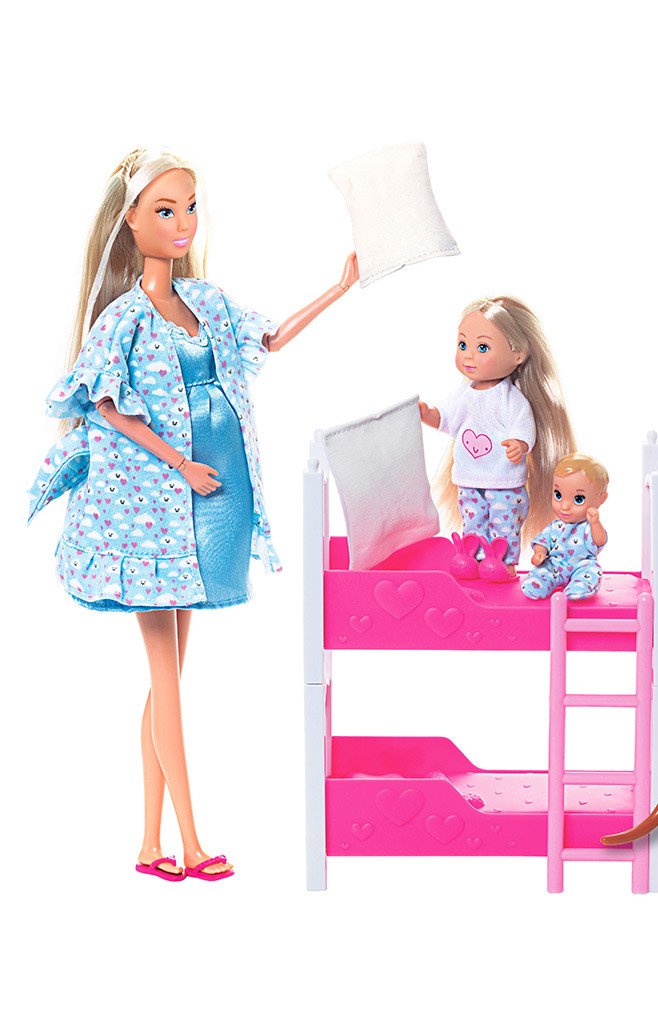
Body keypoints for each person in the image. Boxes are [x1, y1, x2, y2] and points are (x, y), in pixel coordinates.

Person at [28, 148, 359, 881]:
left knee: (168, 678)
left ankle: (149, 845)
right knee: (168, 679)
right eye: (165, 210)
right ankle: (191, 839)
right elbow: (107, 407)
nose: (182, 223)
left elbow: (267, 339)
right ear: (129, 220)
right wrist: (178, 463)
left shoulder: (204, 301)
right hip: (151, 511)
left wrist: (339, 288)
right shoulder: (123, 318)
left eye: (190, 207)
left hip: (215, 499)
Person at [419, 296, 576, 577]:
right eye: (463, 345)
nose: (468, 355)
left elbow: (523, 428)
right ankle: (474, 557)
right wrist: (427, 413)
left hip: (504, 481)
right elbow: (445, 418)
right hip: (469, 479)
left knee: (504, 523)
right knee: (474, 520)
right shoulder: (463, 395)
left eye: (482, 347)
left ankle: (504, 563)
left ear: (518, 355)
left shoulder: (510, 399)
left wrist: (519, 444)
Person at [521, 453, 608, 600]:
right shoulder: (555, 527)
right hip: (555, 564)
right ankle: (537, 585)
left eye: (578, 499)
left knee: (591, 572)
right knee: (542, 571)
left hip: (582, 565)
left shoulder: (588, 527)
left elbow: (599, 541)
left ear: (601, 498)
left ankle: (579, 587)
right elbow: (543, 541)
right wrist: (540, 553)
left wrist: (595, 523)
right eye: (558, 495)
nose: (565, 506)